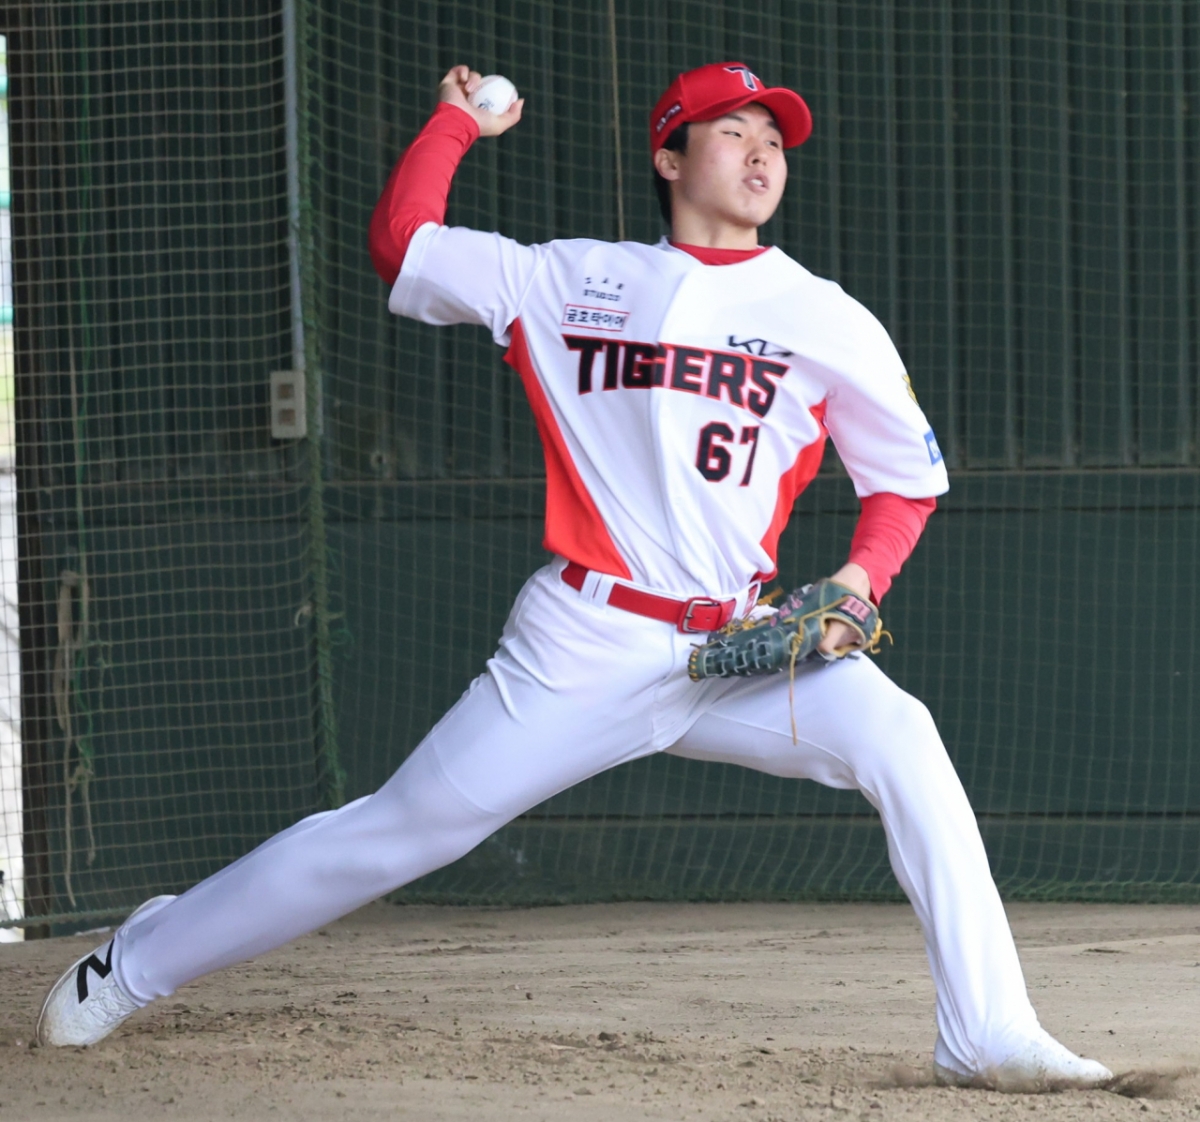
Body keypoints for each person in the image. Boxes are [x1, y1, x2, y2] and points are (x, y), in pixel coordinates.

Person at [37, 62, 1112, 1092]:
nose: (760, 150)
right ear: (669, 154)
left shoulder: (827, 317)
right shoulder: (568, 278)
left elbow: (905, 487)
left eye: (775, 135)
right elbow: (403, 245)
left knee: (901, 738)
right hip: (581, 643)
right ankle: (133, 963)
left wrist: (857, 587)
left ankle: (985, 1032)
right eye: (733, 129)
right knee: (394, 833)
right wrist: (456, 124)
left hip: (738, 645)